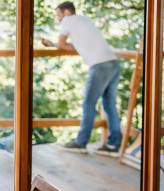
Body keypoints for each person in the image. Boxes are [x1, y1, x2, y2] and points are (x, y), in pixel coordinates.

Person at [41, 1, 122, 154]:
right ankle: (113, 145)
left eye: (58, 15)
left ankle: (81, 142)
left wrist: (52, 44)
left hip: (99, 65)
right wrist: (55, 44)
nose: (58, 19)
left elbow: (62, 43)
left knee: (88, 104)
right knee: (109, 105)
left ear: (65, 12)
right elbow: (74, 46)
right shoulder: (85, 20)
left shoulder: (68, 21)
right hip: (113, 62)